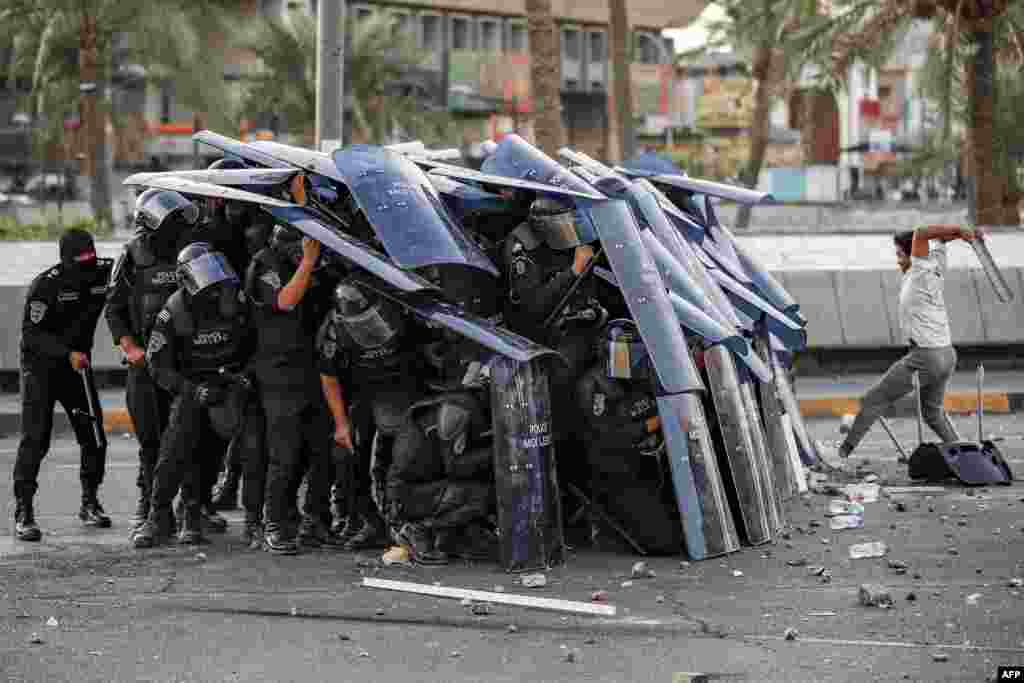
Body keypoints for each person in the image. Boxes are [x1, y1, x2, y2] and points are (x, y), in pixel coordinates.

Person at [107, 189, 228, 533]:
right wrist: (130, 348)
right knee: (151, 439)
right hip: (146, 365)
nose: (176, 228)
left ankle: (195, 507)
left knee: (195, 439)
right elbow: (114, 308)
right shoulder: (132, 256)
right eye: (169, 220)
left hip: (186, 364)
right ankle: (150, 506)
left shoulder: (190, 251)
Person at [132, 243, 252, 547]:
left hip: (225, 387)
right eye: (205, 276)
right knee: (175, 451)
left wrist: (239, 377)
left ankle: (193, 512)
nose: (213, 286)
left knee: (211, 455)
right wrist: (191, 390)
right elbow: (157, 364)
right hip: (190, 388)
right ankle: (157, 517)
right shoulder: (173, 313)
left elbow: (253, 344)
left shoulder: (234, 301)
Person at [835, 225, 979, 460]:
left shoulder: (921, 269)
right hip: (946, 354)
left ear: (913, 255)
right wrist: (963, 234)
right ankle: (965, 456)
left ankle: (843, 453)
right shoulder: (935, 264)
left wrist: (959, 229)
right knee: (933, 414)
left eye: (901, 255)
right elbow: (939, 239)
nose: (898, 261)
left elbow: (922, 233)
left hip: (926, 356)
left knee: (874, 399)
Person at [12, 229, 114, 541]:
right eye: (80, 262)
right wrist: (66, 353)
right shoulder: (47, 285)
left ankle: (89, 502)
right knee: (35, 439)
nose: (88, 267)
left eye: (91, 260)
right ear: (65, 260)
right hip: (41, 369)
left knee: (95, 437)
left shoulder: (104, 273)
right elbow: (31, 335)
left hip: (76, 369)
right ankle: (24, 510)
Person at [246, 225, 333, 555]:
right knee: (284, 452)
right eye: (300, 248)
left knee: (320, 449)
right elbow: (285, 300)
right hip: (278, 371)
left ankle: (314, 520)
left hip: (310, 366)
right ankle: (274, 522)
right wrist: (307, 263)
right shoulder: (265, 263)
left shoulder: (310, 263)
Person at [318, 279, 422, 550]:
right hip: (362, 390)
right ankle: (371, 522)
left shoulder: (402, 312)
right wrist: (341, 425)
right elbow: (328, 376)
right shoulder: (333, 330)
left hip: (405, 385)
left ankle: (408, 522)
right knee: (346, 456)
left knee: (403, 459)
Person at [574, 319, 681, 554]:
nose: (630, 361)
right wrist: (654, 423)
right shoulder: (592, 386)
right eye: (624, 354)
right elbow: (611, 436)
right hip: (617, 470)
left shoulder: (640, 375)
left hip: (653, 460)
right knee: (664, 543)